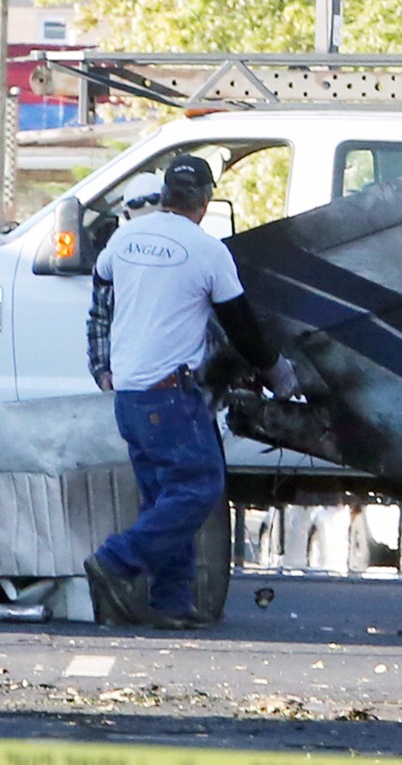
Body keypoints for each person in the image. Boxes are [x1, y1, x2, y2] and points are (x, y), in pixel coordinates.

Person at [83, 154, 299, 630]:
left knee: (163, 498)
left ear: (164, 196)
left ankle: (171, 601)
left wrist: (103, 365)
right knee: (200, 486)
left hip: (129, 395)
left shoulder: (123, 239)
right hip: (170, 396)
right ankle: (116, 560)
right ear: (204, 201)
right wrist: (279, 374)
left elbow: (101, 295)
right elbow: (241, 328)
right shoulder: (206, 251)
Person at [88, 172, 165, 392]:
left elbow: (99, 318)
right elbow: (100, 317)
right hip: (135, 381)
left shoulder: (115, 250)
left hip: (168, 382)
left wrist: (102, 371)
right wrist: (103, 372)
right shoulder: (114, 253)